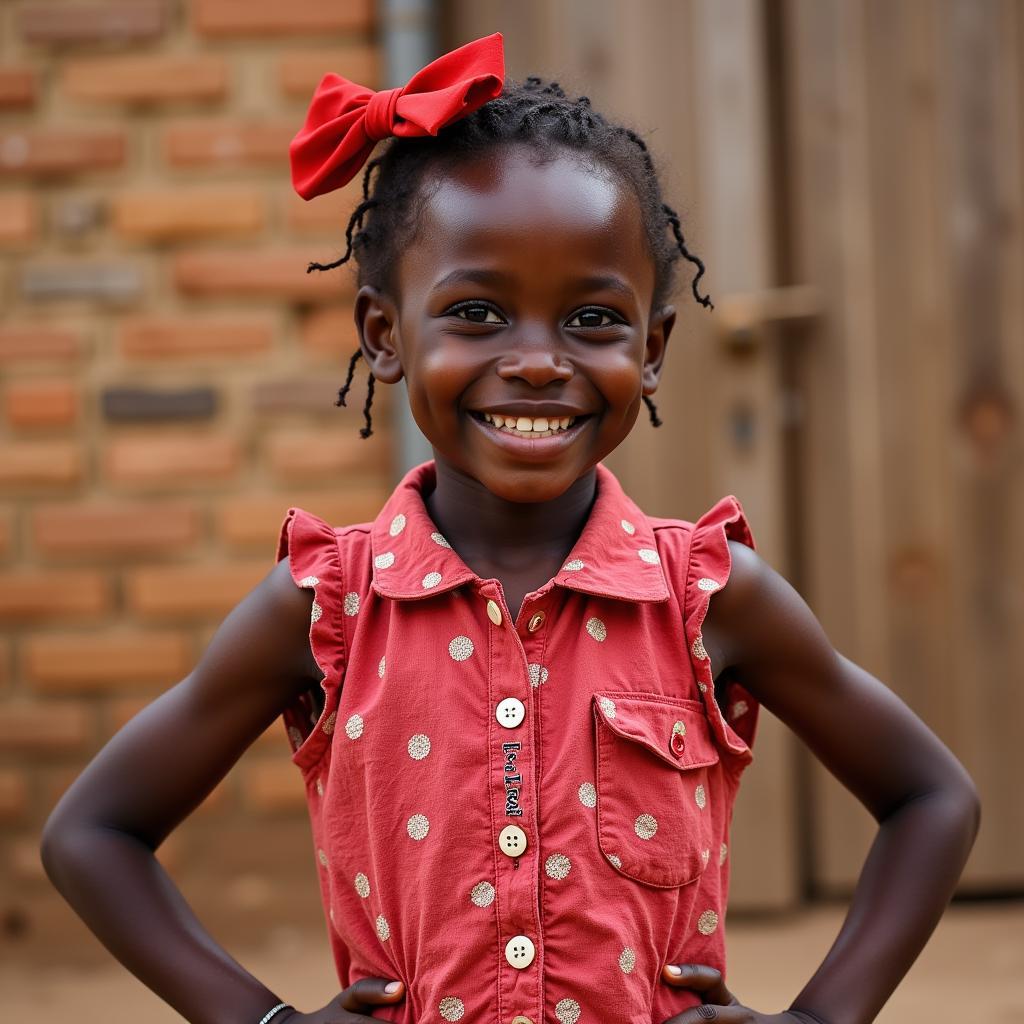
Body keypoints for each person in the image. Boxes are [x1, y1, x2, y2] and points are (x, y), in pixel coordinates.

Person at [40, 30, 980, 1024]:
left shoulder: (708, 595)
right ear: (385, 336)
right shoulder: (327, 610)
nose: (537, 360)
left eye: (592, 320)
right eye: (479, 313)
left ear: (652, 349)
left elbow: (932, 799)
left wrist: (820, 1017)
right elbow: (93, 833)